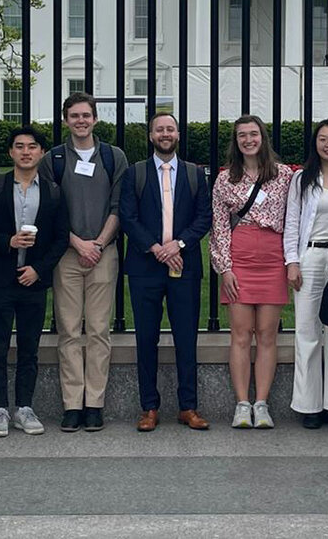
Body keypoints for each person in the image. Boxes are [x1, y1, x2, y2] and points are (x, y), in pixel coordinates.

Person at [0, 126, 69, 437]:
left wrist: (39, 269)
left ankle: (24, 407)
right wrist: (7, 242)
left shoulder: (52, 190)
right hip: (1, 280)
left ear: (41, 153)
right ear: (11, 152)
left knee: (29, 348)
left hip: (33, 282)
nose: (26, 152)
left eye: (32, 147)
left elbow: (60, 238)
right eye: (19, 146)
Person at [38, 92, 129, 432]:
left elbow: (119, 206)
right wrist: (77, 243)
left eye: (85, 115)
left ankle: (95, 403)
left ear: (95, 118)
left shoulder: (112, 156)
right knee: (69, 331)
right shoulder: (54, 159)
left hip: (103, 254)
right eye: (74, 116)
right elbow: (51, 210)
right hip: (67, 255)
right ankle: (72, 404)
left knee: (99, 330)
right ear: (65, 120)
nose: (80, 121)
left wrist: (99, 244)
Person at [119, 112, 213, 432]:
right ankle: (149, 407)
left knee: (186, 337)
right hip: (146, 266)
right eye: (159, 129)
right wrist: (156, 248)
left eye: (170, 129)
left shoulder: (194, 174)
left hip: (183, 266)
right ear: (151, 136)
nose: (165, 133)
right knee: (146, 339)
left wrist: (179, 245)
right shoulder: (136, 174)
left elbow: (204, 217)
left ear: (178, 134)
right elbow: (128, 217)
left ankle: (188, 406)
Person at [210, 115, 294, 429]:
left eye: (254, 134)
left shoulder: (284, 175)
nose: (248, 140)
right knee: (241, 335)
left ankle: (263, 403)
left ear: (263, 137)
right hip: (240, 259)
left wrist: (290, 261)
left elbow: (293, 219)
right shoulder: (225, 179)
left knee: (268, 335)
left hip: (272, 258)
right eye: (242, 135)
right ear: (236, 141)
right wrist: (225, 268)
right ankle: (242, 403)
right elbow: (218, 226)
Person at [283, 119, 328, 429]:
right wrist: (292, 261)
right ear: (315, 144)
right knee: (307, 330)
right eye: (323, 139)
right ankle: (309, 404)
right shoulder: (302, 179)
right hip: (310, 256)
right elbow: (292, 222)